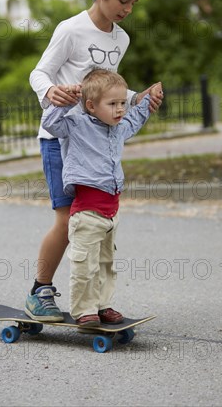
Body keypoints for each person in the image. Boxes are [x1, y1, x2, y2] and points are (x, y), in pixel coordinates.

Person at [26, 0, 163, 322]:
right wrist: (50, 92)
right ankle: (40, 290)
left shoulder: (121, 39)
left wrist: (138, 97)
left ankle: (97, 300)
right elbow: (39, 73)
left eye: (133, 3)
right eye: (123, 1)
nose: (128, 9)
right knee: (68, 218)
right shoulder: (70, 30)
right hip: (59, 137)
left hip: (92, 141)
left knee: (93, 223)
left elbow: (107, 86)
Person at [40, 69, 163, 326]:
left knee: (106, 263)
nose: (120, 109)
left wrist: (148, 101)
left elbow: (135, 120)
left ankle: (103, 305)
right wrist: (66, 100)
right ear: (91, 106)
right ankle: (84, 310)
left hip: (111, 213)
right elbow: (51, 124)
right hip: (86, 212)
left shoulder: (117, 129)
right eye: (113, 104)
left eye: (121, 103)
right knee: (85, 265)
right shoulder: (76, 126)